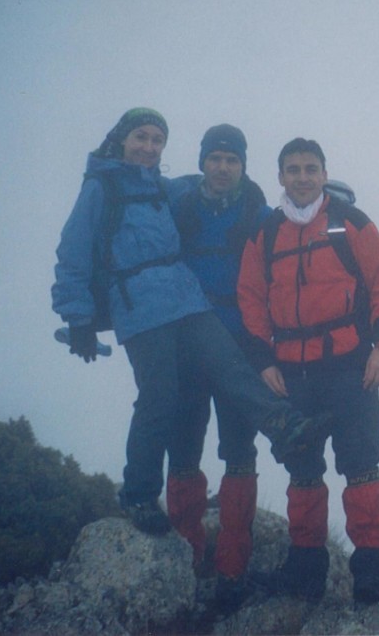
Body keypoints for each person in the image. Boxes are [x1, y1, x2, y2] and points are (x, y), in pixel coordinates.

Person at [51, 108, 312, 537]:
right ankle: (137, 493)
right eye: (142, 137)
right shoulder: (102, 186)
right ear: (121, 139)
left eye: (157, 141)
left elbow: (214, 189)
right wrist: (77, 316)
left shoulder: (162, 187)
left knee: (231, 362)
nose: (149, 147)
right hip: (139, 305)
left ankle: (284, 427)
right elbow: (72, 249)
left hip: (184, 297)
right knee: (160, 398)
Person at [237, 137, 379, 604]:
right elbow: (250, 299)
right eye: (293, 169)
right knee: (302, 467)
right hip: (291, 371)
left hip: (351, 365)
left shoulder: (351, 223)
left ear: (324, 174)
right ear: (281, 177)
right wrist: (263, 360)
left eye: (311, 168)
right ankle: (305, 572)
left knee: (361, 464)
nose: (303, 177)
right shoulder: (266, 233)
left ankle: (371, 573)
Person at [164, 124, 269, 606]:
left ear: (244, 165)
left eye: (232, 159)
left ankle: (232, 568)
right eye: (215, 158)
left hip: (238, 350)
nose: (223, 167)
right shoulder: (179, 208)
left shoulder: (259, 215)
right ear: (202, 162)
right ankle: (184, 558)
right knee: (184, 449)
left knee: (238, 451)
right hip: (187, 346)